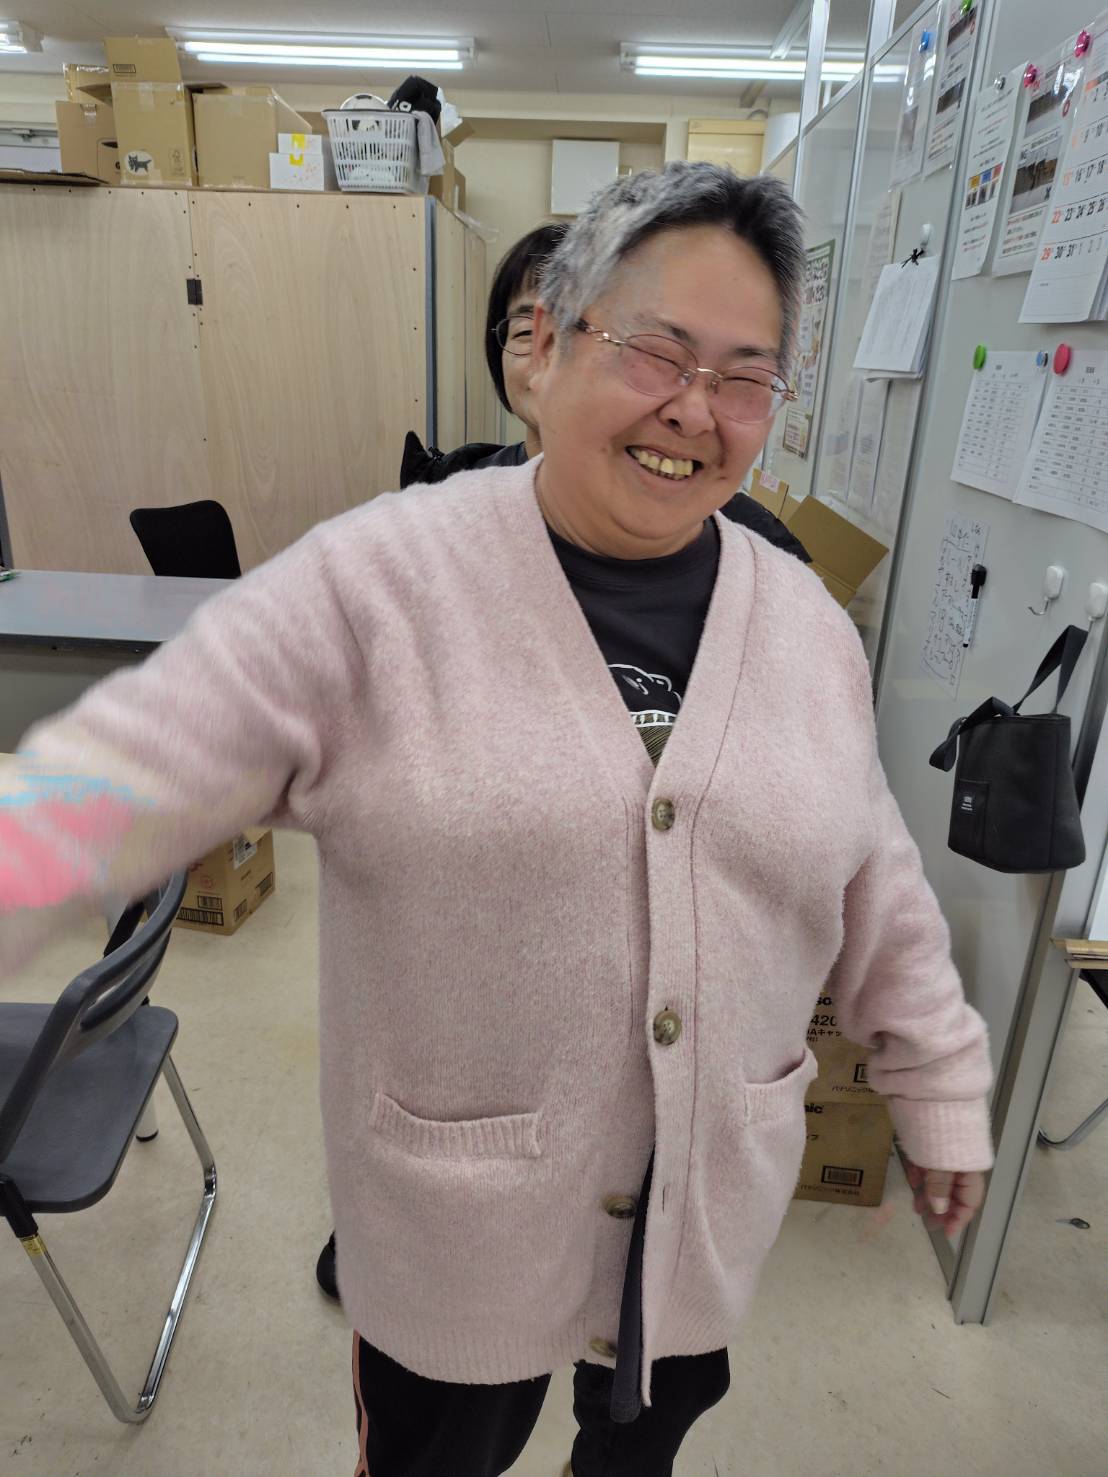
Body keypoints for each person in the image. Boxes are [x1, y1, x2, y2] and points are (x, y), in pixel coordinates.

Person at [0, 162, 993, 1477]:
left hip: (698, 1206)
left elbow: (873, 869)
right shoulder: (380, 585)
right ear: (548, 346)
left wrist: (938, 1077)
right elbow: (114, 774)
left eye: (745, 376)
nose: (695, 410)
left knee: (643, 1443)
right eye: (656, 352)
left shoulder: (804, 624)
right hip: (458, 1230)